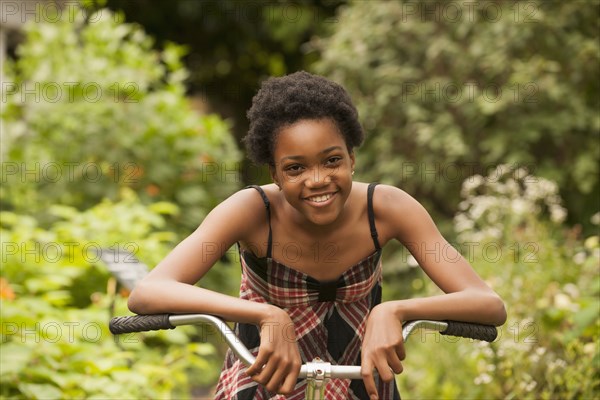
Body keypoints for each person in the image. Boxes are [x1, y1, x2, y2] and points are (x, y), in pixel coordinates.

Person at [128, 71, 506, 399]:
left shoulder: (388, 209)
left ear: (352, 159)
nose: (318, 180)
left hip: (361, 382)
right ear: (275, 175)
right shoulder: (252, 211)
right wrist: (265, 315)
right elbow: (149, 292)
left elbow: (487, 304)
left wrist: (396, 310)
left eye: (332, 160)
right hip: (265, 380)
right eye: (295, 168)